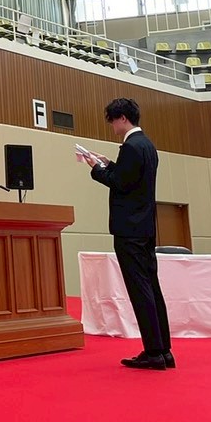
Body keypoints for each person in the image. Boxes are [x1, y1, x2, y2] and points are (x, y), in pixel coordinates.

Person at [76, 97, 173, 371]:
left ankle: (153, 352)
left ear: (122, 118)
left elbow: (120, 184)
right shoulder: (147, 145)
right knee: (152, 288)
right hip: (145, 227)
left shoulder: (131, 146)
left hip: (129, 230)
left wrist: (96, 168)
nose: (112, 126)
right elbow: (132, 179)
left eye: (112, 121)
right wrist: (109, 163)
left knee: (140, 290)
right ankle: (163, 349)